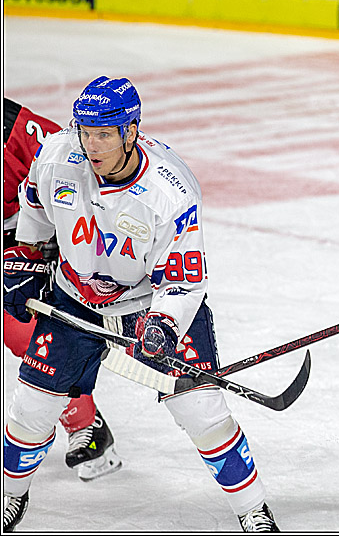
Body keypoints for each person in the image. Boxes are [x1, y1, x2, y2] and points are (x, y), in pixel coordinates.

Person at [2, 78, 279, 532]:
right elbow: (33, 202)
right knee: (30, 408)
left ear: (131, 131)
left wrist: (164, 326)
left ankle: (254, 510)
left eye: (104, 134)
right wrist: (26, 257)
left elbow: (184, 280)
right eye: (85, 131)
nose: (91, 145)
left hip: (149, 300)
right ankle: (10, 496)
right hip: (73, 299)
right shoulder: (55, 155)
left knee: (201, 412)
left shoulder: (171, 191)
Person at [4, 97, 124, 482]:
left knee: (28, 335)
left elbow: (69, 165)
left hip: (29, 240)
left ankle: (86, 425)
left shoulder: (13, 127)